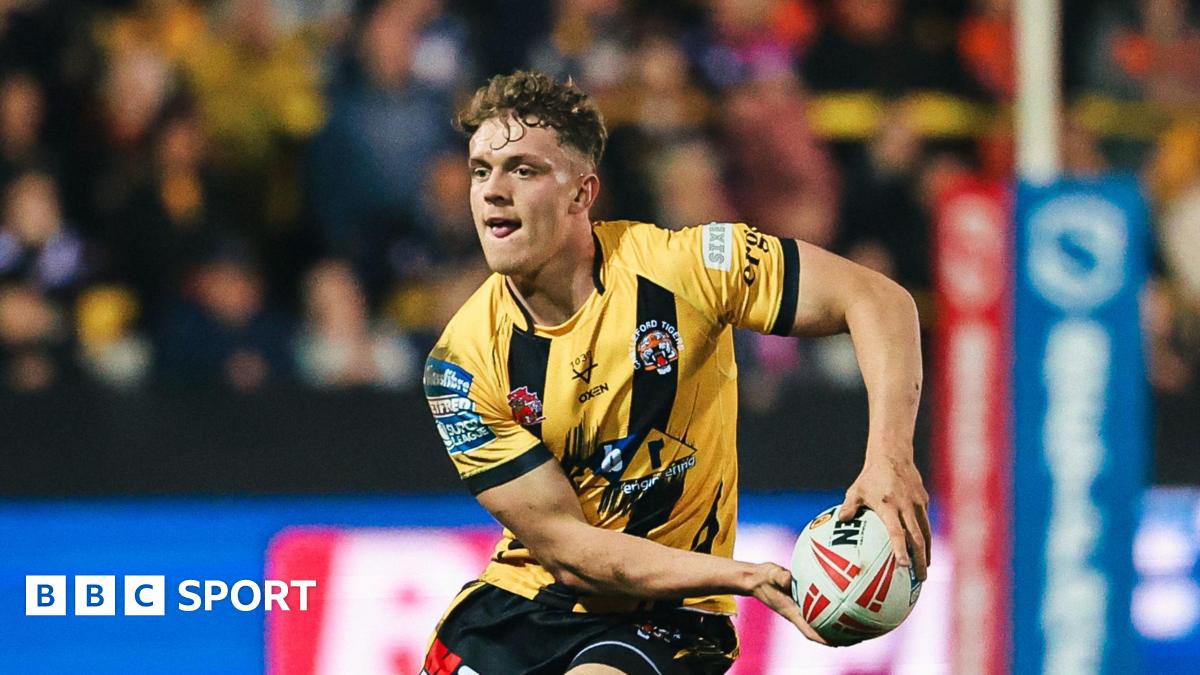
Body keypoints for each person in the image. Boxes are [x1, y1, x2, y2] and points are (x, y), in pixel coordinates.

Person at [421, 70, 930, 675]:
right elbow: (568, 549)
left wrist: (889, 459)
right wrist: (744, 575)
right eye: (482, 170)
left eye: (523, 170)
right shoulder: (461, 362)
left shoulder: (684, 268)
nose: (492, 191)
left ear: (582, 195)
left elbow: (878, 300)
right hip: (518, 610)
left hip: (665, 616)